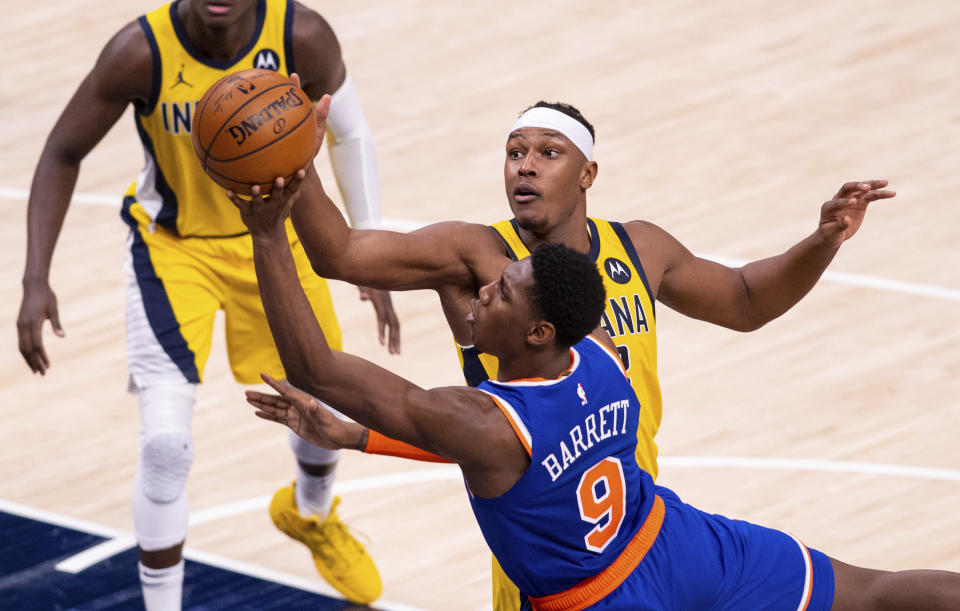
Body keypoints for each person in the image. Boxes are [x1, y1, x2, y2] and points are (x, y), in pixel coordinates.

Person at [234, 94, 896, 609]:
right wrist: (293, 155)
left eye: (547, 151)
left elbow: (747, 299)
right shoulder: (475, 254)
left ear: (588, 172)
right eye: (514, 150)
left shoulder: (639, 248)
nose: (524, 163)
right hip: (552, 543)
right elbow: (341, 254)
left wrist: (822, 241)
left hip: (639, 514)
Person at [15, 1, 398, 607]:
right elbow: (63, 151)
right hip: (176, 251)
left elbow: (350, 132)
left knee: (323, 399)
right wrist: (36, 277)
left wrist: (370, 245)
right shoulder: (140, 52)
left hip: (278, 237)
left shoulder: (303, 36)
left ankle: (311, 513)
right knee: (165, 444)